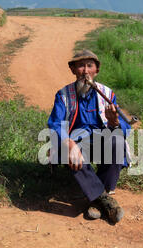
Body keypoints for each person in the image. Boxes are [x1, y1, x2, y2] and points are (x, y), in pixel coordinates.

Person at [47, 49, 131, 224]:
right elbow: (55, 124)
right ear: (73, 70)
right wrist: (69, 144)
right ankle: (105, 199)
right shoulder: (63, 95)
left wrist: (114, 122)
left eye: (89, 66)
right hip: (76, 146)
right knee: (64, 146)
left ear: (96, 71)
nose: (85, 71)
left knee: (117, 140)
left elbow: (125, 126)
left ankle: (96, 200)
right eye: (80, 66)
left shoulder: (107, 94)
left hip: (100, 144)